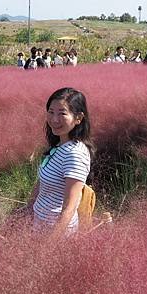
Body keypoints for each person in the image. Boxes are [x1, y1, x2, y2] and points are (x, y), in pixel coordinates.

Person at [30, 87, 93, 239]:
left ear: (78, 118)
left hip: (56, 233)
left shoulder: (75, 155)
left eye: (62, 113)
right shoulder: (59, 145)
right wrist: (27, 209)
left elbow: (69, 208)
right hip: (40, 224)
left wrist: (51, 245)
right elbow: (41, 183)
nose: (54, 119)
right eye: (51, 112)